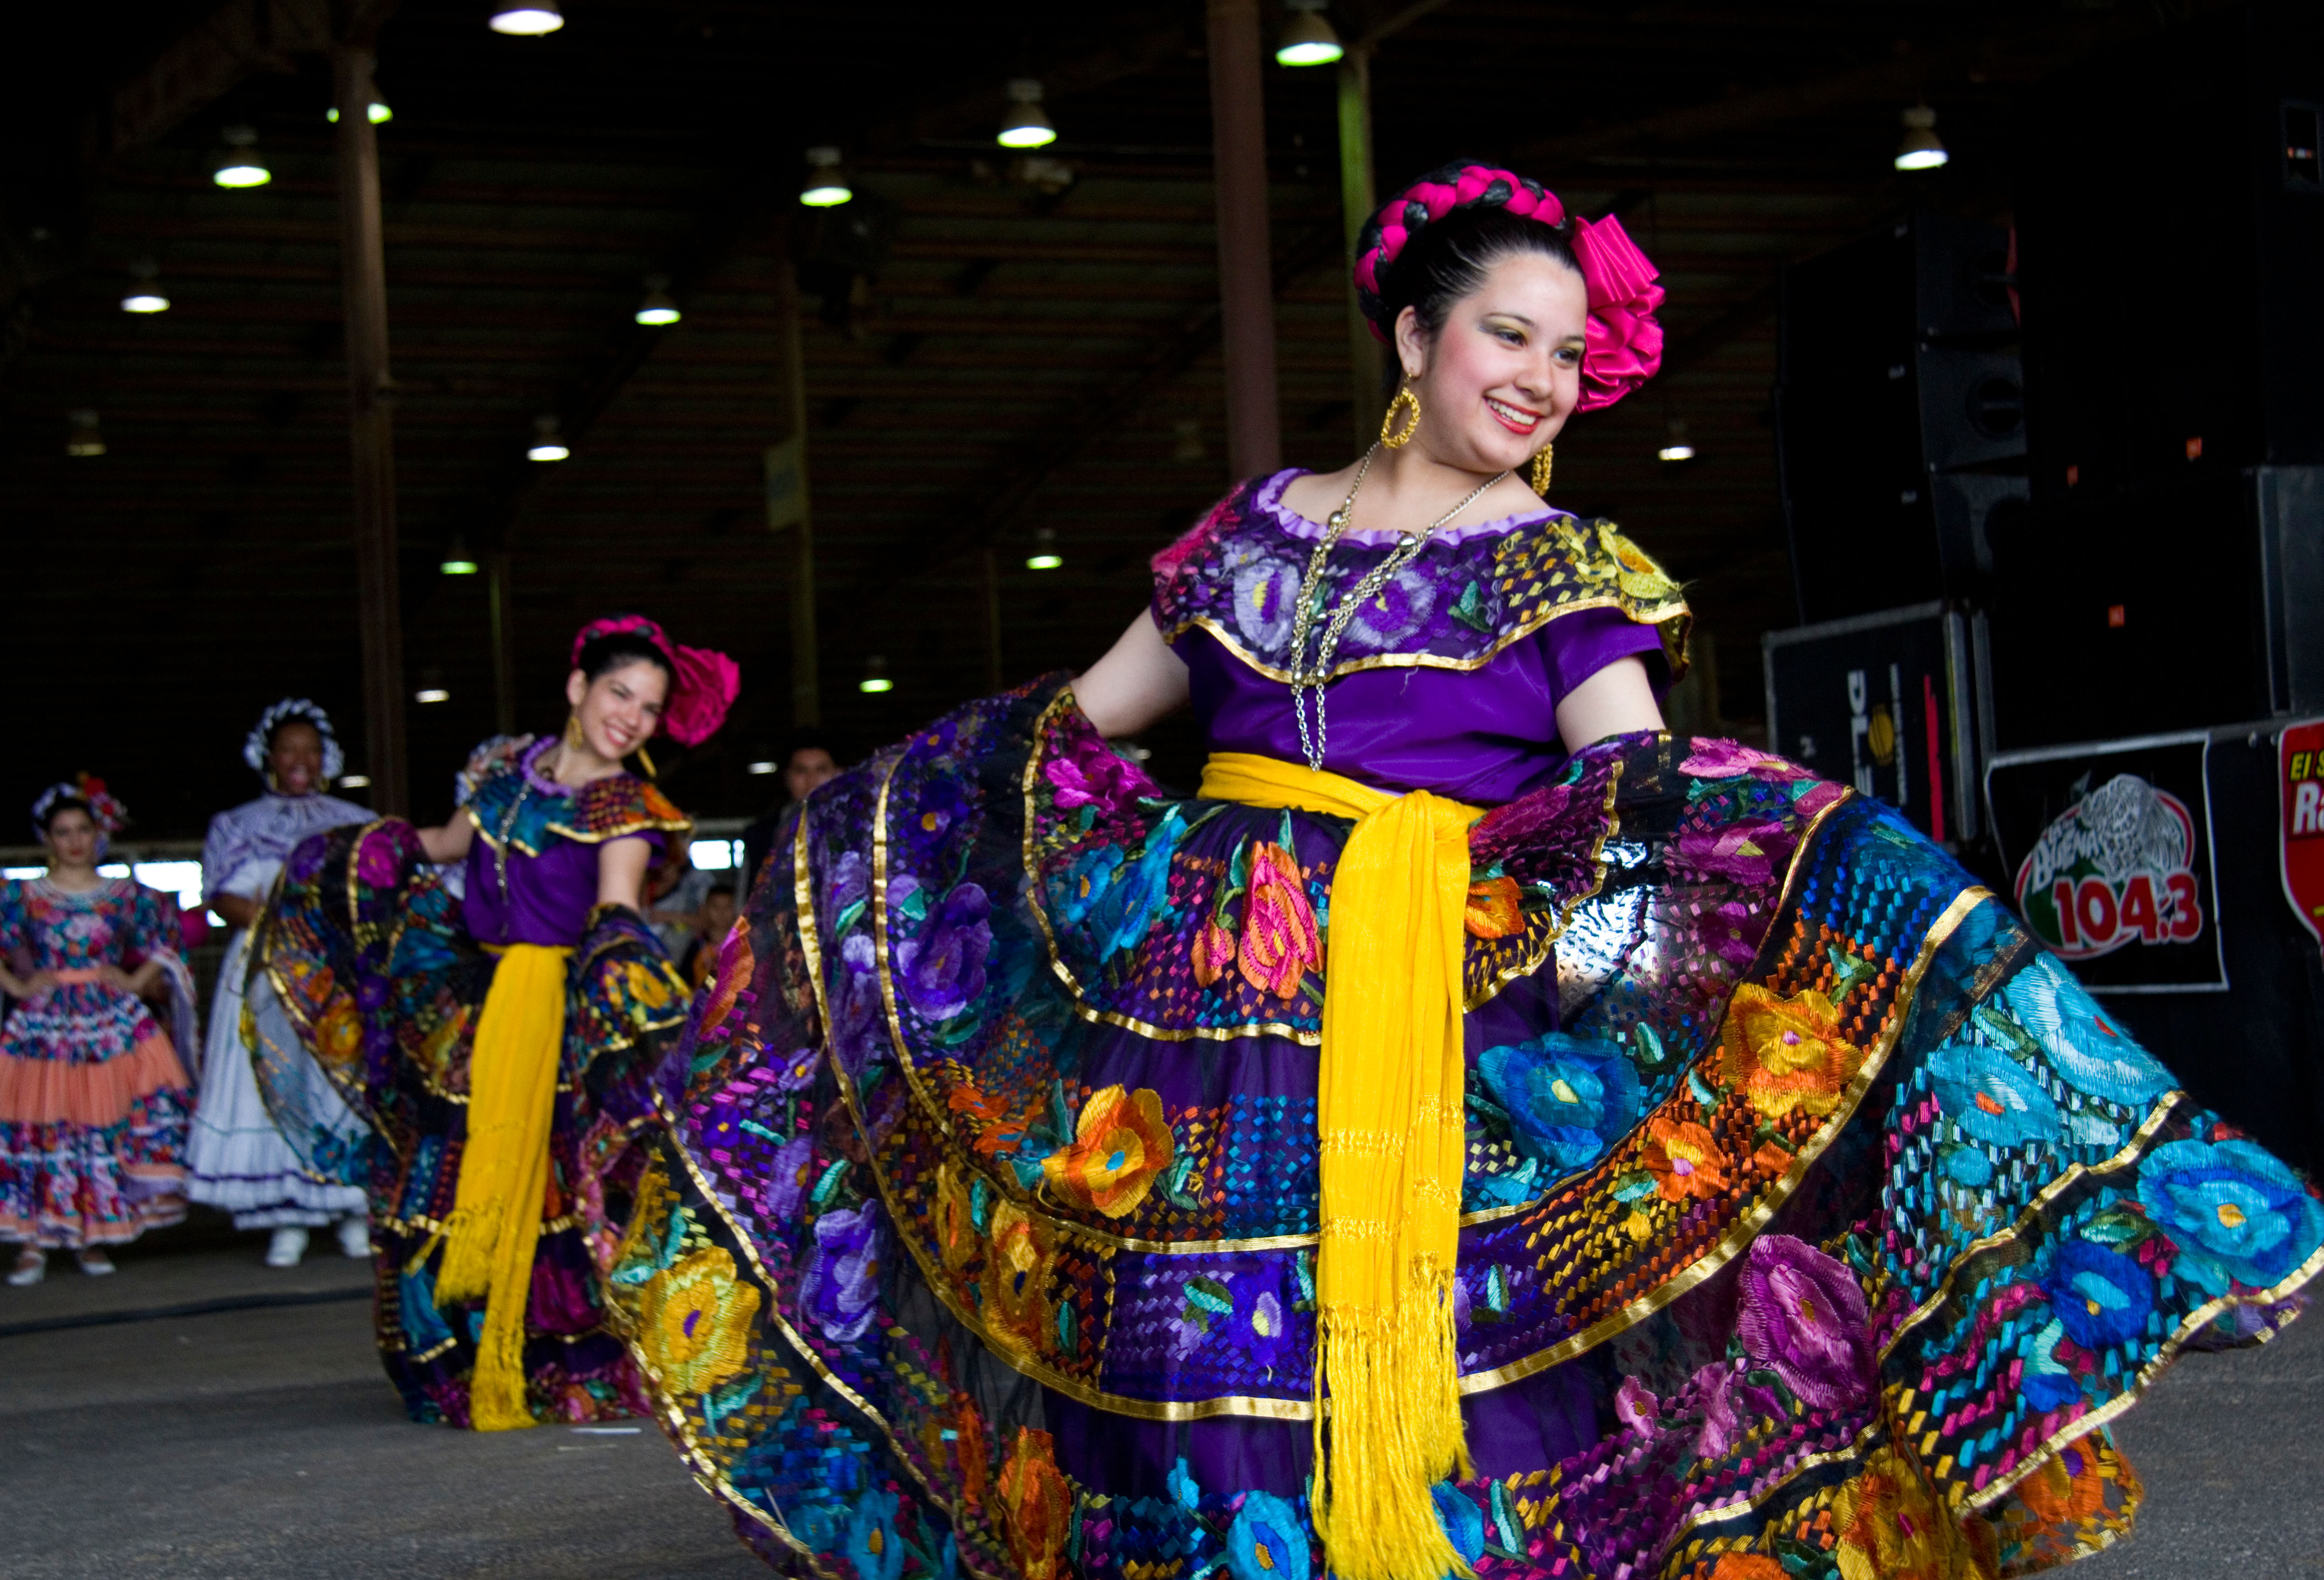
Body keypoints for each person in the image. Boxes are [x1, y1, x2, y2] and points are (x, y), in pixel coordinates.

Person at [609, 162, 2322, 1580]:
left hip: (1432, 1011)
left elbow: (1641, 788)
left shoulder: (1556, 565)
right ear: (1416, 338)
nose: (1543, 378)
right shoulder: (1250, 530)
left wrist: (1837, 884)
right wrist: (885, 831)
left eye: (1570, 355)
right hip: (1195, 1011)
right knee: (1187, 1359)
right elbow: (1083, 726)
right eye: (1510, 333)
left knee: (1447, 1365)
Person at [243, 614, 738, 1429]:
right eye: (621, 693)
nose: (633, 717)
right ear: (579, 689)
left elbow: (616, 911)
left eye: (650, 709)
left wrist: (646, 1009)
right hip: (472, 1007)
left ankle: (557, 1363)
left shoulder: (628, 808)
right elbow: (441, 843)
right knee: (444, 1178)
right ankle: (465, 1356)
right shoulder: (505, 785)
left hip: (550, 1013)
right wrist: (352, 857)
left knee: (547, 1186)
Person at [0, 778, 197, 1284]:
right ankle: (32, 1244)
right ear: (47, 838)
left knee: (101, 1125)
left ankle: (95, 1234)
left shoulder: (125, 896)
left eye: (82, 830)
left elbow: (167, 939)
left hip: (111, 1025)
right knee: (42, 1127)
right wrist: (19, 988)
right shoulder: (20, 895)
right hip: (43, 1026)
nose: (73, 840)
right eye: (62, 831)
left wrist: (133, 980)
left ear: (97, 833)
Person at [184, 701, 373, 1267]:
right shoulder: (238, 824)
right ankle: (287, 1218)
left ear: (327, 759)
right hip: (267, 964)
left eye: (310, 751)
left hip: (334, 967)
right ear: (268, 757)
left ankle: (350, 1208)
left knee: (340, 1079)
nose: (300, 761)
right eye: (289, 750)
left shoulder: (355, 818)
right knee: (274, 1079)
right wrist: (280, 924)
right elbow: (221, 898)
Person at [740, 731, 840, 888]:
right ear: (787, 777)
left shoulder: (859, 827)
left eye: (821, 770)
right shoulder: (762, 834)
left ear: (838, 774)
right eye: (801, 771)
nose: (811, 780)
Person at [682, 883, 737, 990]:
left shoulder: (743, 945)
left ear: (735, 909)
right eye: (716, 907)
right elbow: (685, 982)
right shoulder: (697, 945)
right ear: (706, 909)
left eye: (727, 907)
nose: (722, 913)